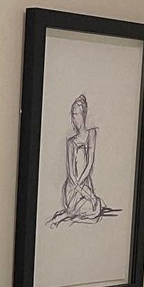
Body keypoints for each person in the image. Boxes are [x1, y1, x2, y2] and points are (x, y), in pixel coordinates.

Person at [47, 93, 119, 228]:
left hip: (84, 185)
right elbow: (71, 174)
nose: (74, 119)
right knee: (94, 207)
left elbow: (89, 164)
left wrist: (87, 193)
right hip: (72, 188)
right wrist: (82, 192)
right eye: (72, 115)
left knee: (95, 207)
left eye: (76, 115)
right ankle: (66, 214)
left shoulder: (91, 134)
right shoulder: (70, 142)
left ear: (83, 115)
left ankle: (65, 215)